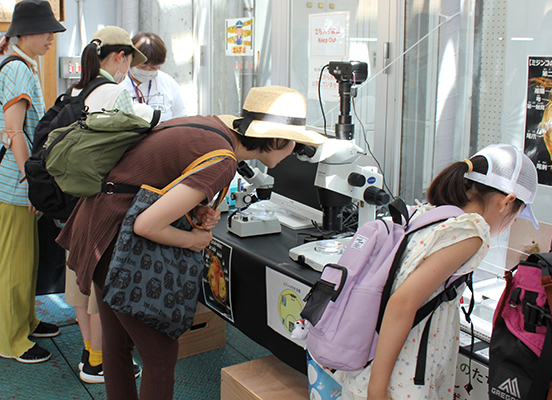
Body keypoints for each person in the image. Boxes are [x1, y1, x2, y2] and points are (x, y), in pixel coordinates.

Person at [56, 85, 326, 399]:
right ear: (277, 139)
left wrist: (195, 207)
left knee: (117, 346)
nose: (295, 151)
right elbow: (146, 225)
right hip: (118, 240)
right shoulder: (223, 161)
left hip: (98, 225)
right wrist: (193, 239)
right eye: (295, 142)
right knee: (159, 357)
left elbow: (151, 177)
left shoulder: (211, 128)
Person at [336, 144, 539, 400]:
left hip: (369, 356)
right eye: (517, 214)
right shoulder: (471, 231)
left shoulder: (431, 213)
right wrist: (377, 391)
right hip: (399, 376)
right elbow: (403, 303)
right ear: (507, 201)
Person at [62, 25, 146, 383]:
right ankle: (97, 363)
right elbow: (131, 150)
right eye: (129, 60)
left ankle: (87, 352)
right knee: (99, 287)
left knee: (77, 279)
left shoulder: (77, 88)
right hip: (106, 200)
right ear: (120, 56)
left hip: (73, 198)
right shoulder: (114, 92)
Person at [0, 0, 65, 364]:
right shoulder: (20, 69)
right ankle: (11, 339)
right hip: (13, 183)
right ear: (24, 32)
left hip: (13, 180)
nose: (51, 38)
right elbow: (15, 132)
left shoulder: (19, 63)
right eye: (45, 31)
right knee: (15, 262)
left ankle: (26, 321)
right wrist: (32, 182)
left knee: (27, 258)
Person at [119, 31, 187, 122]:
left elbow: (181, 116)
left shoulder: (168, 83)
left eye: (153, 67)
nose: (147, 70)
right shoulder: (118, 83)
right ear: (130, 59)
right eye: (142, 66)